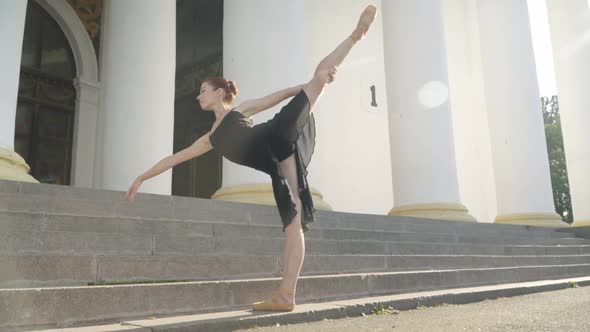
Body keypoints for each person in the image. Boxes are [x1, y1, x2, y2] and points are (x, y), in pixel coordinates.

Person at [125, 5, 378, 312]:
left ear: (219, 93)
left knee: (320, 73)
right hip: (279, 165)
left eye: (203, 90)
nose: (198, 96)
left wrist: (312, 86)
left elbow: (278, 96)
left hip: (278, 133)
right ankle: (286, 296)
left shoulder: (239, 110)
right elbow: (173, 159)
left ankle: (356, 34)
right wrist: (142, 177)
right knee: (293, 227)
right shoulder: (209, 139)